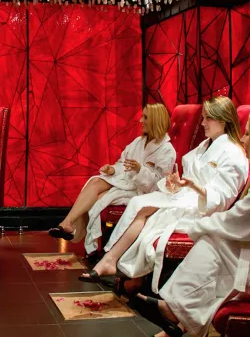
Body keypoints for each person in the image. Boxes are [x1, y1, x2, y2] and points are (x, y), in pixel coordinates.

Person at [134, 111, 250, 337]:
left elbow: (237, 221)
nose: (243, 139)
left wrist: (198, 227)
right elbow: (240, 220)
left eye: (249, 133)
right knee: (214, 244)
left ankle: (175, 311)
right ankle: (176, 319)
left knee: (212, 242)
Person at [82, 96, 248, 292]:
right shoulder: (206, 145)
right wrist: (176, 184)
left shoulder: (233, 153)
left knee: (144, 208)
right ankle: (114, 263)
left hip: (203, 208)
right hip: (186, 196)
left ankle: (117, 265)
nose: (202, 123)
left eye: (207, 119)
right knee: (139, 203)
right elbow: (189, 177)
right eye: (202, 118)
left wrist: (192, 186)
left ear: (223, 119)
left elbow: (221, 199)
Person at [49, 104, 176, 256]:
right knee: (95, 181)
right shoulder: (138, 142)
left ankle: (86, 240)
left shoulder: (167, 150)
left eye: (146, 117)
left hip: (140, 192)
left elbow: (160, 186)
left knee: (98, 198)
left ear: (156, 120)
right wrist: (113, 169)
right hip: (126, 181)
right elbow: (123, 164)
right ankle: (67, 224)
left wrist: (139, 170)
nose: (141, 120)